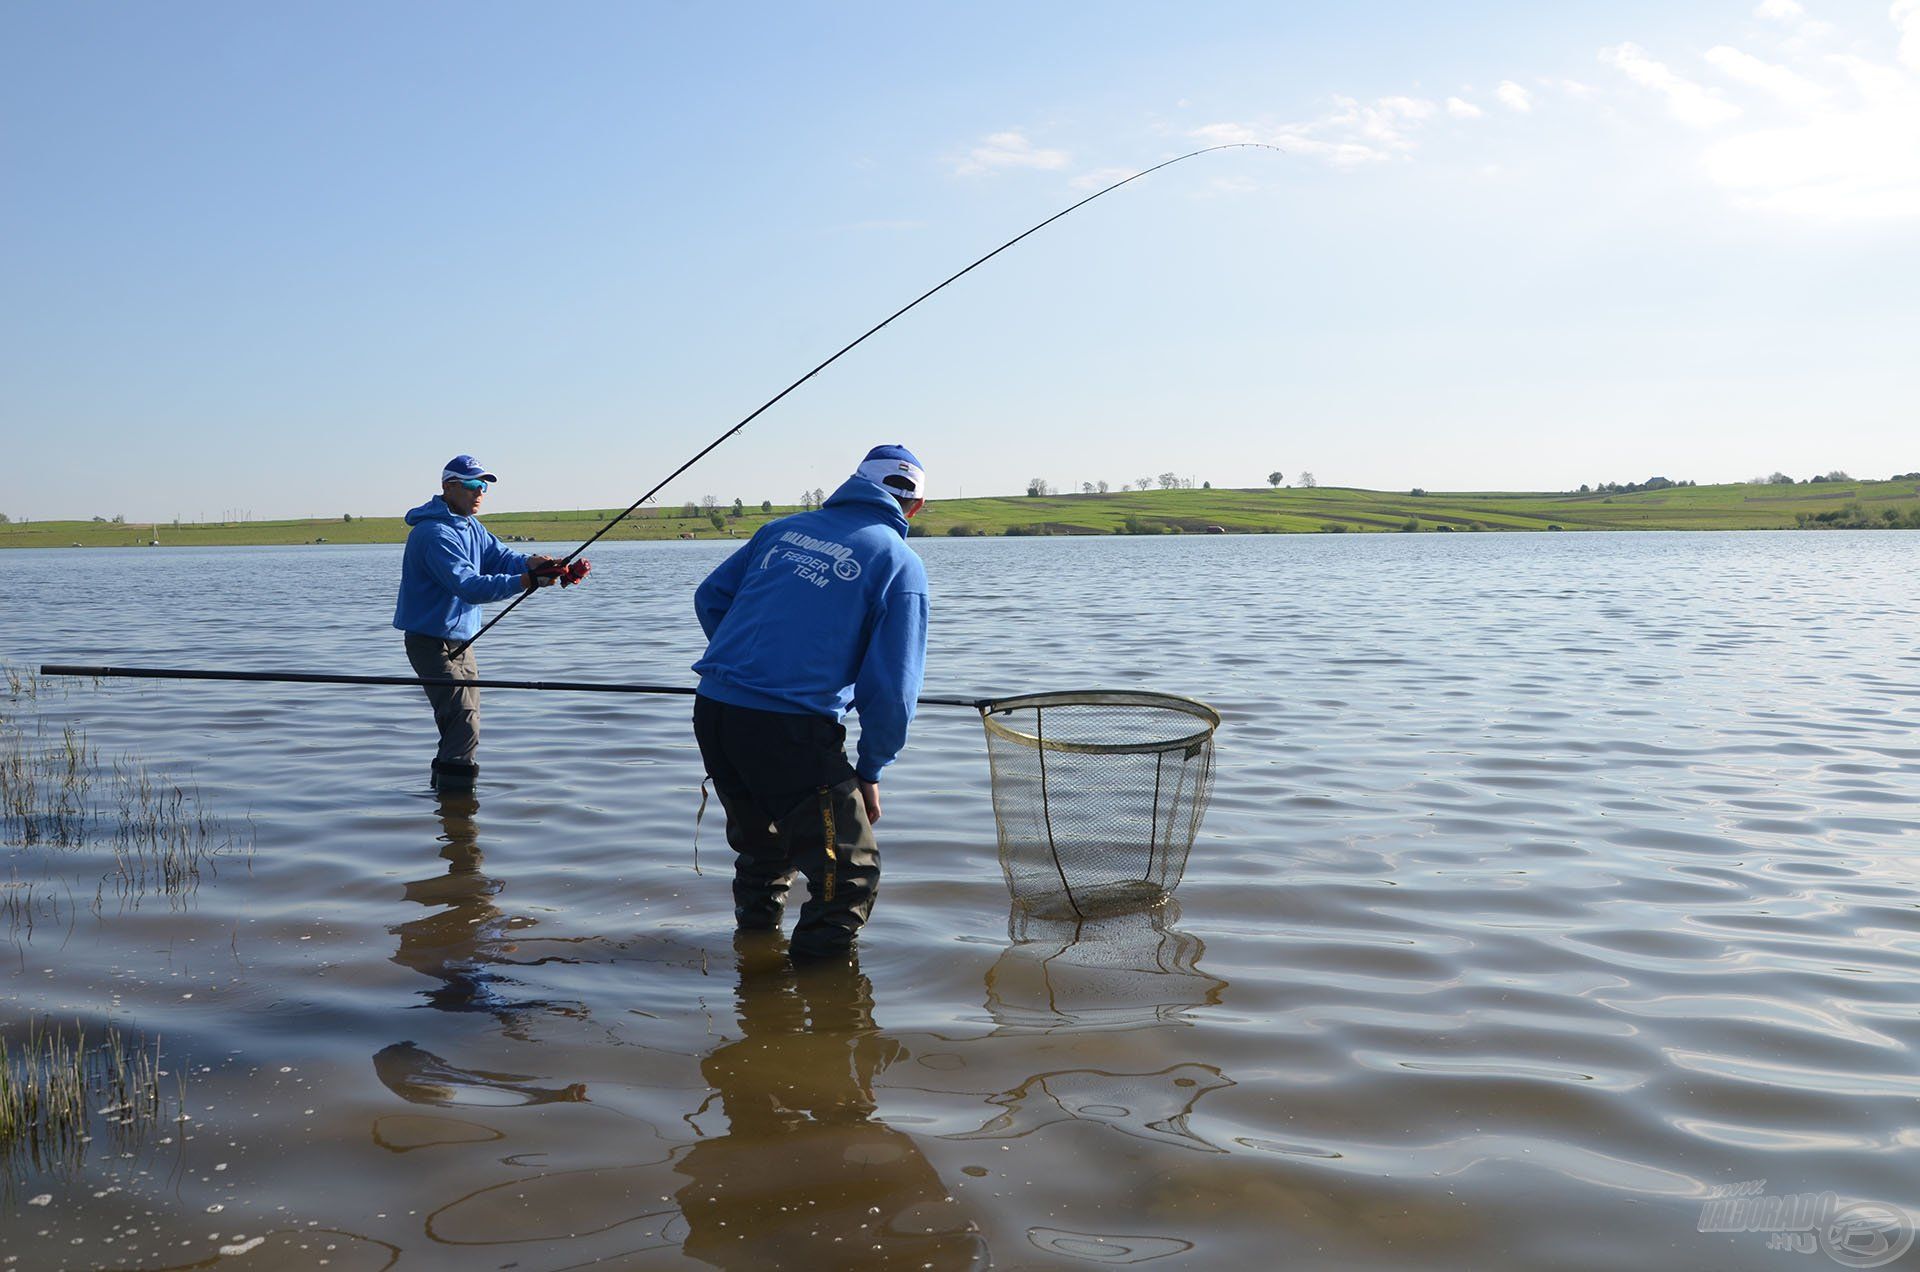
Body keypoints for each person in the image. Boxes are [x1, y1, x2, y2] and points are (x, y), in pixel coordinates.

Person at [691, 444, 929, 959]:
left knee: (765, 849)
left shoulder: (782, 530)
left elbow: (710, 598)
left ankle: (754, 965)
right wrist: (872, 769)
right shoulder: (898, 562)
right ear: (915, 507)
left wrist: (753, 664)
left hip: (714, 711)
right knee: (848, 875)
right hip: (789, 731)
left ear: (853, 484)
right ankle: (820, 1018)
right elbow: (891, 689)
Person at [393, 454, 579, 790]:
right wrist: (525, 581)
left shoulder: (470, 526)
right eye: (473, 486)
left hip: (462, 642)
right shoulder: (433, 534)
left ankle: (452, 816)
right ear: (449, 487)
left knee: (464, 721)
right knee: (464, 723)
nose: (480, 493)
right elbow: (469, 587)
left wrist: (535, 564)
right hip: (429, 643)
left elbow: (500, 557)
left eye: (484, 487)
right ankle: (458, 799)